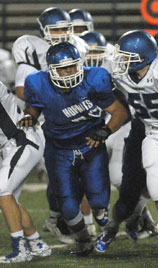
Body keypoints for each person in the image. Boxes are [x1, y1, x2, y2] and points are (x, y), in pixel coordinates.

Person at [20, 42, 128, 256]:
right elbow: (33, 106)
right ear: (51, 69)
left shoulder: (94, 79)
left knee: (98, 201)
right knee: (68, 207)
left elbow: (119, 112)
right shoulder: (37, 82)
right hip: (59, 149)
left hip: (90, 145)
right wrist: (29, 117)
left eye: (72, 66)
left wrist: (105, 131)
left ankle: (100, 211)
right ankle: (84, 241)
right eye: (63, 68)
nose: (69, 72)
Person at [95, 30, 158, 252]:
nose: (120, 61)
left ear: (143, 57)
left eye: (127, 56)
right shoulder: (119, 69)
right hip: (150, 131)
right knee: (155, 189)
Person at [12, 6, 89, 245]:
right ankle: (51, 221)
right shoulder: (32, 49)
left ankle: (57, 219)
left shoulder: (77, 45)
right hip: (38, 122)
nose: (60, 34)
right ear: (44, 30)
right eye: (55, 31)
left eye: (65, 29)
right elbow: (23, 89)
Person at [79, 30, 158, 241]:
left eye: (96, 53)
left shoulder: (117, 70)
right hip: (99, 130)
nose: (91, 59)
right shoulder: (77, 74)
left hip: (123, 127)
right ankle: (89, 224)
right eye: (87, 55)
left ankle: (143, 219)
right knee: (86, 173)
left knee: (119, 177)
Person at [0, 81, 51, 263]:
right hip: (12, 144)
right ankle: (36, 242)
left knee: (3, 191)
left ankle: (20, 249)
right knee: (9, 198)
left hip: (21, 140)